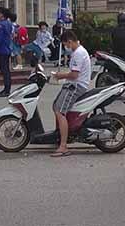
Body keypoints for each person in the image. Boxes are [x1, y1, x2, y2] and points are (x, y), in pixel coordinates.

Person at [50, 30, 91, 158]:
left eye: (66, 45)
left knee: (60, 111)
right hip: (73, 84)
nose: (66, 48)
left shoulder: (78, 53)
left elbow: (74, 75)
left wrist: (59, 75)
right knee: (55, 106)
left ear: (70, 41)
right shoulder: (78, 52)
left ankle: (63, 146)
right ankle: (60, 136)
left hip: (76, 86)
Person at [0, 7, 13, 97]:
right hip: (7, 49)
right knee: (6, 70)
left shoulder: (1, 24)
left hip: (2, 49)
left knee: (4, 70)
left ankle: (6, 90)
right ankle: (7, 88)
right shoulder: (9, 23)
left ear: (2, 14)